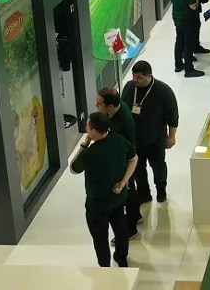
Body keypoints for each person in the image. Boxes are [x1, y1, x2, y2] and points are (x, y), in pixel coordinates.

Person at [70, 112, 138, 268]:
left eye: (87, 127)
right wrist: (123, 182)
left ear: (94, 131)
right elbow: (133, 159)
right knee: (121, 229)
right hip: (118, 198)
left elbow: (74, 168)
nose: (86, 129)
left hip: (98, 204)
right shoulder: (120, 141)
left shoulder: (90, 153)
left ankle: (105, 267)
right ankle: (121, 258)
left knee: (100, 238)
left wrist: (85, 144)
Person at [120, 61, 179, 206]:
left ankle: (161, 191)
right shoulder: (129, 87)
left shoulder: (163, 91)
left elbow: (173, 115)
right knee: (138, 169)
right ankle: (144, 194)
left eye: (139, 77)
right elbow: (122, 110)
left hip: (156, 139)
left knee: (159, 168)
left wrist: (171, 136)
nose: (135, 80)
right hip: (135, 141)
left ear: (149, 76)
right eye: (134, 76)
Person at [95, 87, 141, 240]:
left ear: (109, 105)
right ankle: (136, 215)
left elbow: (127, 149)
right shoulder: (118, 107)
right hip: (124, 159)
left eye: (99, 104)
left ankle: (131, 227)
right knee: (130, 190)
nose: (96, 106)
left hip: (124, 163)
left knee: (128, 192)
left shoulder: (122, 125)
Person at [167, 0, 204, 78]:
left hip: (176, 17)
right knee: (188, 44)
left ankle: (178, 65)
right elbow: (193, 6)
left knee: (179, 40)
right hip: (188, 19)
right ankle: (189, 69)